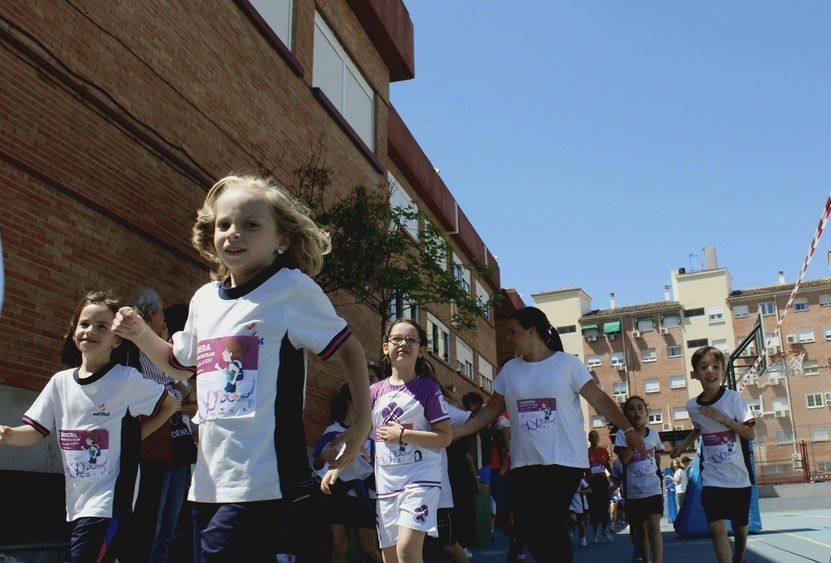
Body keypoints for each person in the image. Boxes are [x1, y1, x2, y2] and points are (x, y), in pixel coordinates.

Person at [113, 175, 372, 561]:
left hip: (266, 480)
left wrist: (361, 424)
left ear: (281, 239)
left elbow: (348, 347)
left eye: (251, 225)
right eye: (224, 224)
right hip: (208, 482)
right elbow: (180, 364)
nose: (234, 234)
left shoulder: (290, 289)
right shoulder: (204, 300)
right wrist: (139, 335)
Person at [453, 307, 645, 563]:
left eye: (513, 332)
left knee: (549, 522)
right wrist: (458, 432)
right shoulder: (510, 370)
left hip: (563, 461)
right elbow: (490, 411)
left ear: (532, 331)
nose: (509, 338)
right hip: (524, 463)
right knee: (528, 526)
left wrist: (628, 429)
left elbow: (599, 399)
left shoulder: (567, 364)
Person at [0, 290, 177, 562]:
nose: (90, 331)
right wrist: (9, 434)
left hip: (110, 502)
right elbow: (35, 431)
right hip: (76, 502)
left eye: (101, 326)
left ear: (116, 339)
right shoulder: (60, 382)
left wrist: (136, 435)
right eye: (84, 324)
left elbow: (170, 404)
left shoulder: (126, 379)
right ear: (74, 332)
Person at [324, 319, 451, 563]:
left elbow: (445, 437)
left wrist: (403, 434)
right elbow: (360, 435)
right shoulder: (374, 392)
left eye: (411, 340)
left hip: (420, 480)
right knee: (390, 557)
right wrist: (337, 468)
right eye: (397, 339)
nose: (403, 343)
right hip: (386, 484)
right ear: (385, 347)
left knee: (406, 550)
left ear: (421, 350)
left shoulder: (428, 388)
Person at [124, 288, 196, 563]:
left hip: (178, 448)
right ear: (151, 316)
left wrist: (172, 398)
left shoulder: (164, 352)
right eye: (161, 314)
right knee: (150, 524)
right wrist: (174, 398)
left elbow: (190, 397)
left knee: (168, 528)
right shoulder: (139, 353)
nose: (165, 320)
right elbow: (167, 397)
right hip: (153, 451)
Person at [672, 346, 755, 563]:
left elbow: (750, 433)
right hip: (712, 477)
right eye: (704, 367)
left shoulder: (734, 399)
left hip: (738, 477)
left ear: (723, 372)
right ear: (696, 373)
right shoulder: (692, 406)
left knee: (740, 527)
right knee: (717, 528)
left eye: (715, 366)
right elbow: (699, 428)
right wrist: (683, 445)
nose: (710, 371)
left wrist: (724, 419)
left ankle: (740, 557)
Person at [316, 382, 382, 563]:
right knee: (338, 546)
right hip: (337, 493)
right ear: (350, 400)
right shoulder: (332, 431)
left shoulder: (373, 433)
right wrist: (325, 455)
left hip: (365, 495)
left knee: (369, 550)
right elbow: (318, 462)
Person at [614, 396, 664, 563]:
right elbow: (625, 459)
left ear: (646, 412)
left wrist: (657, 473)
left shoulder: (654, 434)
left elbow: (657, 455)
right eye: (632, 409)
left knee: (654, 527)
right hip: (634, 492)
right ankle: (645, 559)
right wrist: (634, 439)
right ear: (626, 414)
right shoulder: (621, 435)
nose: (636, 411)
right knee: (641, 530)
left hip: (653, 488)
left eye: (640, 408)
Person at [586, 430, 613, 543]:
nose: (594, 438)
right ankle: (595, 533)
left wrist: (612, 480)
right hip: (592, 483)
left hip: (602, 482)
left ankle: (605, 529)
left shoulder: (603, 451)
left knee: (605, 507)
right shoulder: (586, 452)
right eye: (592, 436)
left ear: (598, 438)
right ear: (589, 439)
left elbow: (608, 466)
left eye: (596, 436)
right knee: (594, 509)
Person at [568, 478, 591, 547]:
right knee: (573, 518)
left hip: (580, 504)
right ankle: (572, 527)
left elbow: (589, 490)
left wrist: (579, 491)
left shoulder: (580, 480)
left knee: (581, 523)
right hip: (569, 504)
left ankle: (582, 537)